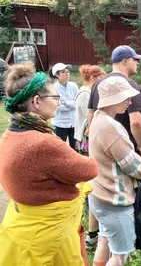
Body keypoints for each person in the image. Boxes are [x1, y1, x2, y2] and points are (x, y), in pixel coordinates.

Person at [0, 62, 98, 266]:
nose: (58, 102)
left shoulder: (10, 134)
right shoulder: (42, 142)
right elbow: (90, 169)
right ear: (37, 101)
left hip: (23, 229)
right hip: (49, 235)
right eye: (55, 98)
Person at [88, 76, 141, 266]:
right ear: (112, 100)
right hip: (114, 200)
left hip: (98, 195)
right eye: (125, 98)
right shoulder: (111, 128)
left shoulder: (99, 119)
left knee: (105, 238)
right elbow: (131, 165)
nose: (130, 102)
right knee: (120, 255)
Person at [87, 45, 141, 157]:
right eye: (135, 60)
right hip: (123, 147)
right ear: (125, 61)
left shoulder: (98, 83)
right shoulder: (128, 84)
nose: (137, 63)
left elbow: (91, 113)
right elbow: (136, 122)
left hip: (102, 146)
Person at [74, 64, 106, 249]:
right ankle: (89, 204)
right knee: (92, 174)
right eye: (101, 77)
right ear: (94, 78)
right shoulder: (86, 93)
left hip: (86, 135)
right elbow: (89, 117)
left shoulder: (86, 90)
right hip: (87, 137)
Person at [50, 62, 79, 149]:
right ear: (57, 75)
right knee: (60, 149)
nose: (67, 74)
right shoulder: (53, 88)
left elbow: (77, 103)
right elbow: (57, 106)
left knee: (75, 149)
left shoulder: (74, 86)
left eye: (67, 72)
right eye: (63, 72)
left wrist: (65, 102)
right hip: (60, 123)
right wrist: (71, 103)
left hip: (74, 123)